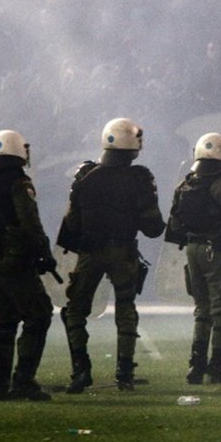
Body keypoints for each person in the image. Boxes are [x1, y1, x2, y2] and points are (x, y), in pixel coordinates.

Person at [58, 118, 165, 392]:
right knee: (126, 309)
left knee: (74, 311)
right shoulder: (140, 177)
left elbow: (70, 223)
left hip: (90, 252)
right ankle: (125, 373)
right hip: (122, 250)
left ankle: (80, 371)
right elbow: (152, 226)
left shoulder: (85, 174)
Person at [0, 130, 56, 402]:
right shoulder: (19, 182)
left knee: (3, 323)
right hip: (15, 260)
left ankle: (0, 384)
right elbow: (30, 222)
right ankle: (24, 381)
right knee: (38, 314)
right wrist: (44, 253)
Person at [165, 132, 221, 384]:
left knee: (202, 309)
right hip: (216, 251)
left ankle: (196, 365)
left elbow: (174, 223)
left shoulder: (186, 184)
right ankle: (218, 365)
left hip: (193, 249)